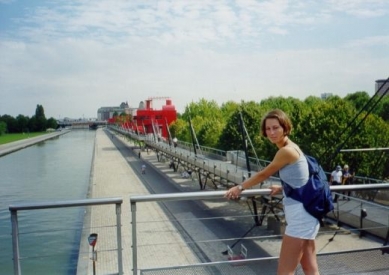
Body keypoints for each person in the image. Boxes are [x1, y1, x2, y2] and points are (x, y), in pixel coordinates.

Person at [225, 109, 320, 275]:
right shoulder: (293, 147)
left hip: (300, 219)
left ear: (285, 127)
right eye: (268, 129)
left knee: (284, 272)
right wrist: (283, 188)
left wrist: (239, 188)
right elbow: (302, 180)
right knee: (309, 268)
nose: (271, 132)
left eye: (275, 127)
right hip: (307, 215)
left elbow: (263, 174)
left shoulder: (286, 151)